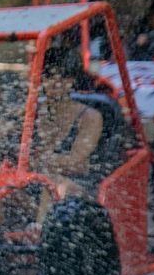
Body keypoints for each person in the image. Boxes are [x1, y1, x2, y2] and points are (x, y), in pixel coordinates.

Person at [24, 41, 104, 196]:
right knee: (2, 185)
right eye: (50, 76)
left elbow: (77, 163)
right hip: (37, 176)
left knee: (55, 187)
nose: (57, 82)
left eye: (64, 77)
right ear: (42, 79)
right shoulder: (31, 111)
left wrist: (37, 159)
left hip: (79, 186)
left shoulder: (90, 117)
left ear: (73, 80)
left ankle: (42, 221)